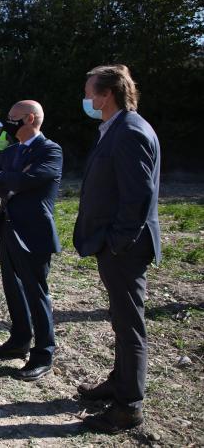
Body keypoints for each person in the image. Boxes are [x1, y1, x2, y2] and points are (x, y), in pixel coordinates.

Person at [73, 65, 161, 434]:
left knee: (129, 326)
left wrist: (117, 242)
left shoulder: (129, 132)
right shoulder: (117, 129)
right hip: (116, 244)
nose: (87, 99)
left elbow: (137, 197)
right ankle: (119, 382)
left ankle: (128, 407)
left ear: (107, 94)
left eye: (91, 91)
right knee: (120, 319)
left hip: (124, 248)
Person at [0, 100, 62, 382]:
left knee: (36, 291)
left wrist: (10, 177)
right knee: (13, 288)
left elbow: (32, 180)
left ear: (29, 119)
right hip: (7, 229)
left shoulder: (50, 150)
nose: (7, 123)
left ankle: (43, 354)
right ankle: (19, 340)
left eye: (12, 118)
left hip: (34, 233)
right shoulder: (11, 151)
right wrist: (12, 177)